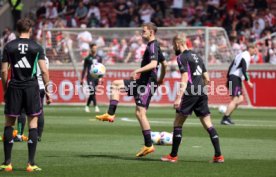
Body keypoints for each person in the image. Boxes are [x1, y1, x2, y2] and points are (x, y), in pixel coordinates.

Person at [96, 22, 167, 157]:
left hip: (146, 84)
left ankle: (148, 145)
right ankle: (110, 114)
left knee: (140, 113)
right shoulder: (154, 46)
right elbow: (165, 63)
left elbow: (153, 64)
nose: (142, 33)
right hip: (142, 82)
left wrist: (138, 70)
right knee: (116, 84)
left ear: (151, 32)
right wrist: (161, 79)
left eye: (144, 31)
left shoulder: (153, 46)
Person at [161, 33, 224, 163]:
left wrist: (178, 98)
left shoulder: (181, 57)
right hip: (201, 91)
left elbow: (184, 78)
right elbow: (207, 78)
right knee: (208, 124)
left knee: (177, 123)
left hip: (190, 92)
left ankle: (173, 156)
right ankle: (218, 156)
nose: (174, 47)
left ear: (178, 43)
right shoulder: (197, 56)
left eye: (174, 45)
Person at [0, 18, 51, 172]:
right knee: (33, 123)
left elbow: (3, 71)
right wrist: (47, 90)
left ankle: (7, 163)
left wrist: (5, 88)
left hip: (14, 86)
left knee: (9, 123)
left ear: (16, 30)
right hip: (31, 87)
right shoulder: (37, 47)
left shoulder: (9, 46)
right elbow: (44, 71)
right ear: (30, 30)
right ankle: (31, 163)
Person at [14, 56, 50, 142]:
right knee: (40, 111)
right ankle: (38, 136)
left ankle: (19, 135)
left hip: (30, 86)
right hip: (41, 87)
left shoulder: (30, 56)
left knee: (22, 110)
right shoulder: (46, 58)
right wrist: (47, 90)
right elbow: (45, 73)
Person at [221, 44, 256, 125]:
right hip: (235, 78)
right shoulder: (246, 56)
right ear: (250, 48)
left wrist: (228, 78)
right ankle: (225, 118)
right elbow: (244, 70)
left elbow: (231, 66)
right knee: (236, 99)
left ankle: (227, 116)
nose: (255, 51)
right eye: (254, 49)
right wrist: (248, 81)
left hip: (233, 77)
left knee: (240, 99)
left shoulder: (239, 55)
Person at [81, 44, 102, 113]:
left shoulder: (99, 57)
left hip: (96, 77)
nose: (95, 49)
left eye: (96, 48)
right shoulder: (87, 58)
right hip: (90, 77)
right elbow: (84, 69)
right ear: (91, 49)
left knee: (92, 92)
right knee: (92, 91)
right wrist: (82, 78)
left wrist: (101, 77)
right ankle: (96, 106)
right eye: (93, 48)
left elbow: (101, 68)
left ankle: (87, 106)